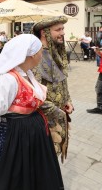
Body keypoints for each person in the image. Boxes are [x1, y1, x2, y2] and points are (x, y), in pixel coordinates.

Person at [0, 34, 64, 190]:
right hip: (13, 137)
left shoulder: (27, 74)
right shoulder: (7, 79)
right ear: (32, 54)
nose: (42, 54)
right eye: (41, 51)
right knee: (13, 177)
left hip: (30, 137)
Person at [31, 16, 73, 161]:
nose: (62, 33)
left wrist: (68, 100)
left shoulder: (56, 53)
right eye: (58, 29)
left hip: (59, 118)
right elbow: (32, 92)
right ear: (44, 32)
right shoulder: (36, 55)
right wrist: (57, 111)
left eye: (63, 29)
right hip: (44, 122)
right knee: (43, 161)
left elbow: (62, 82)